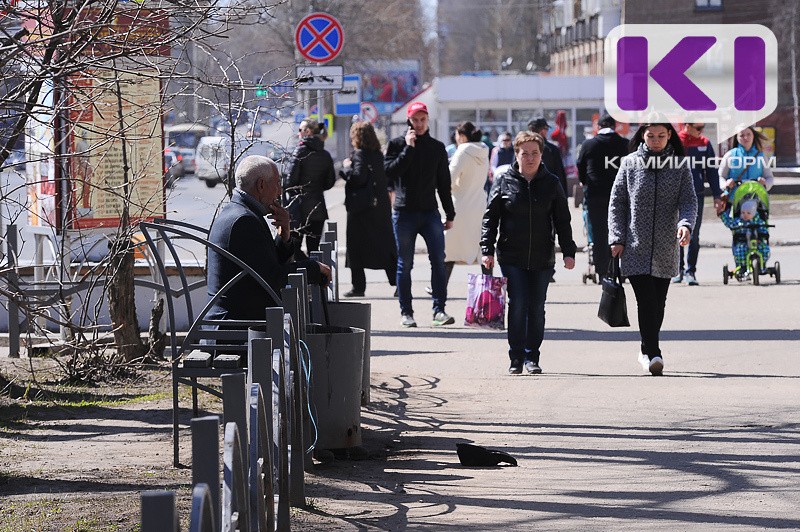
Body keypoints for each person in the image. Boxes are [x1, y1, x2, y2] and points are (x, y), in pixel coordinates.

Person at [480, 131, 576, 375]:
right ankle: (515, 357)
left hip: (543, 256)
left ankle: (532, 356)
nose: (530, 158)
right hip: (512, 256)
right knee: (518, 303)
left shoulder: (551, 182)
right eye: (525, 153)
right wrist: (486, 249)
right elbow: (491, 219)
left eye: (535, 153)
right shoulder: (504, 181)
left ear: (541, 155)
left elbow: (562, 220)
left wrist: (568, 251)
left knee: (536, 306)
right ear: (516, 154)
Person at [608, 121, 697, 376]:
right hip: (635, 246)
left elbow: (689, 200)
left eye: (661, 135)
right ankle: (654, 352)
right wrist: (617, 237)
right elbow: (617, 203)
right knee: (646, 301)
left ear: (669, 135)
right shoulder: (629, 164)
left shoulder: (679, 166)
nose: (656, 140)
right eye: (650, 135)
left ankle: (645, 347)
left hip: (666, 247)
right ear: (642, 136)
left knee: (659, 304)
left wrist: (685, 225)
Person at [207, 155, 332, 323]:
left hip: (239, 317)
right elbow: (273, 278)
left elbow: (265, 267)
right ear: (261, 185)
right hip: (235, 325)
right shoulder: (244, 220)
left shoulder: (240, 212)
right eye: (277, 184)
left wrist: (284, 235)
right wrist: (314, 268)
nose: (280, 192)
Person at [385, 101, 456, 328]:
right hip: (404, 213)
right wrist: (408, 148)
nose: (419, 124)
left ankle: (439, 311)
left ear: (428, 120)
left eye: (423, 119)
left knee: (438, 260)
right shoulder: (397, 145)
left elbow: (444, 184)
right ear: (409, 121)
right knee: (405, 264)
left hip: (429, 213)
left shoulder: (436, 148)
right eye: (415, 120)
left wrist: (450, 213)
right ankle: (406, 312)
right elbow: (390, 173)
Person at [339, 121, 397, 297]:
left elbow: (358, 178)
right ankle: (397, 283)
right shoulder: (379, 155)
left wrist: (346, 168)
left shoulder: (359, 155)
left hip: (360, 209)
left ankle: (358, 287)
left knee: (355, 246)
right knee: (385, 246)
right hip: (380, 207)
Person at [672, 121, 725, 286]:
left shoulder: (704, 143)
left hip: (697, 195)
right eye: (699, 128)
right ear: (687, 125)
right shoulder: (674, 142)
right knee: (676, 233)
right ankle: (677, 270)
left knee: (694, 235)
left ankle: (691, 272)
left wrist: (717, 195)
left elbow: (712, 171)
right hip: (674, 195)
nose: (702, 131)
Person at [576, 114, 630, 274]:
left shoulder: (589, 144)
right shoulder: (625, 144)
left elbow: (580, 166)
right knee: (620, 231)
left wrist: (584, 181)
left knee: (599, 233)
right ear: (614, 127)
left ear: (598, 127)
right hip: (621, 195)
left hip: (595, 195)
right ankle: (617, 268)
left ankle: (601, 270)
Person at [442, 121, 490, 288]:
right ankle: (488, 285)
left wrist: (452, 188)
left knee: (448, 248)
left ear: (462, 136)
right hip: (479, 204)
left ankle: (439, 287)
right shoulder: (484, 151)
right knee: (482, 247)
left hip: (460, 205)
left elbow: (448, 179)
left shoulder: (462, 151)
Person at [283, 118, 336, 256]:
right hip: (318, 208)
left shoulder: (300, 152)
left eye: (300, 130)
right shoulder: (325, 155)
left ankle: (305, 270)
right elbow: (330, 182)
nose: (299, 133)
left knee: (294, 249)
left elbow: (289, 181)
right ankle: (315, 275)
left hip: (298, 209)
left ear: (308, 132)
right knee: (315, 250)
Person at [719, 125, 774, 200]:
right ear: (737, 138)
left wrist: (765, 184)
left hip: (756, 201)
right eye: (742, 135)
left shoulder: (761, 156)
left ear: (753, 136)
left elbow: (769, 177)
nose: (746, 138)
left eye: (748, 134)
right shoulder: (730, 155)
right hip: (734, 201)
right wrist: (725, 184)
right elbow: (720, 176)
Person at [719, 199, 770, 278]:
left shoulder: (759, 222)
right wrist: (722, 214)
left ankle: (761, 264)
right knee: (740, 251)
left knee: (764, 249)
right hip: (743, 242)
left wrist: (763, 235)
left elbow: (764, 230)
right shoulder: (739, 222)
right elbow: (730, 223)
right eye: (743, 213)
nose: (745, 215)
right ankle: (742, 266)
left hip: (757, 242)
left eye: (748, 213)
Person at [528, 117, 568, 195]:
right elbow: (559, 174)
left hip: (527, 193)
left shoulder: (521, 148)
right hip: (548, 194)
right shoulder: (551, 149)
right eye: (546, 129)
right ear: (542, 130)